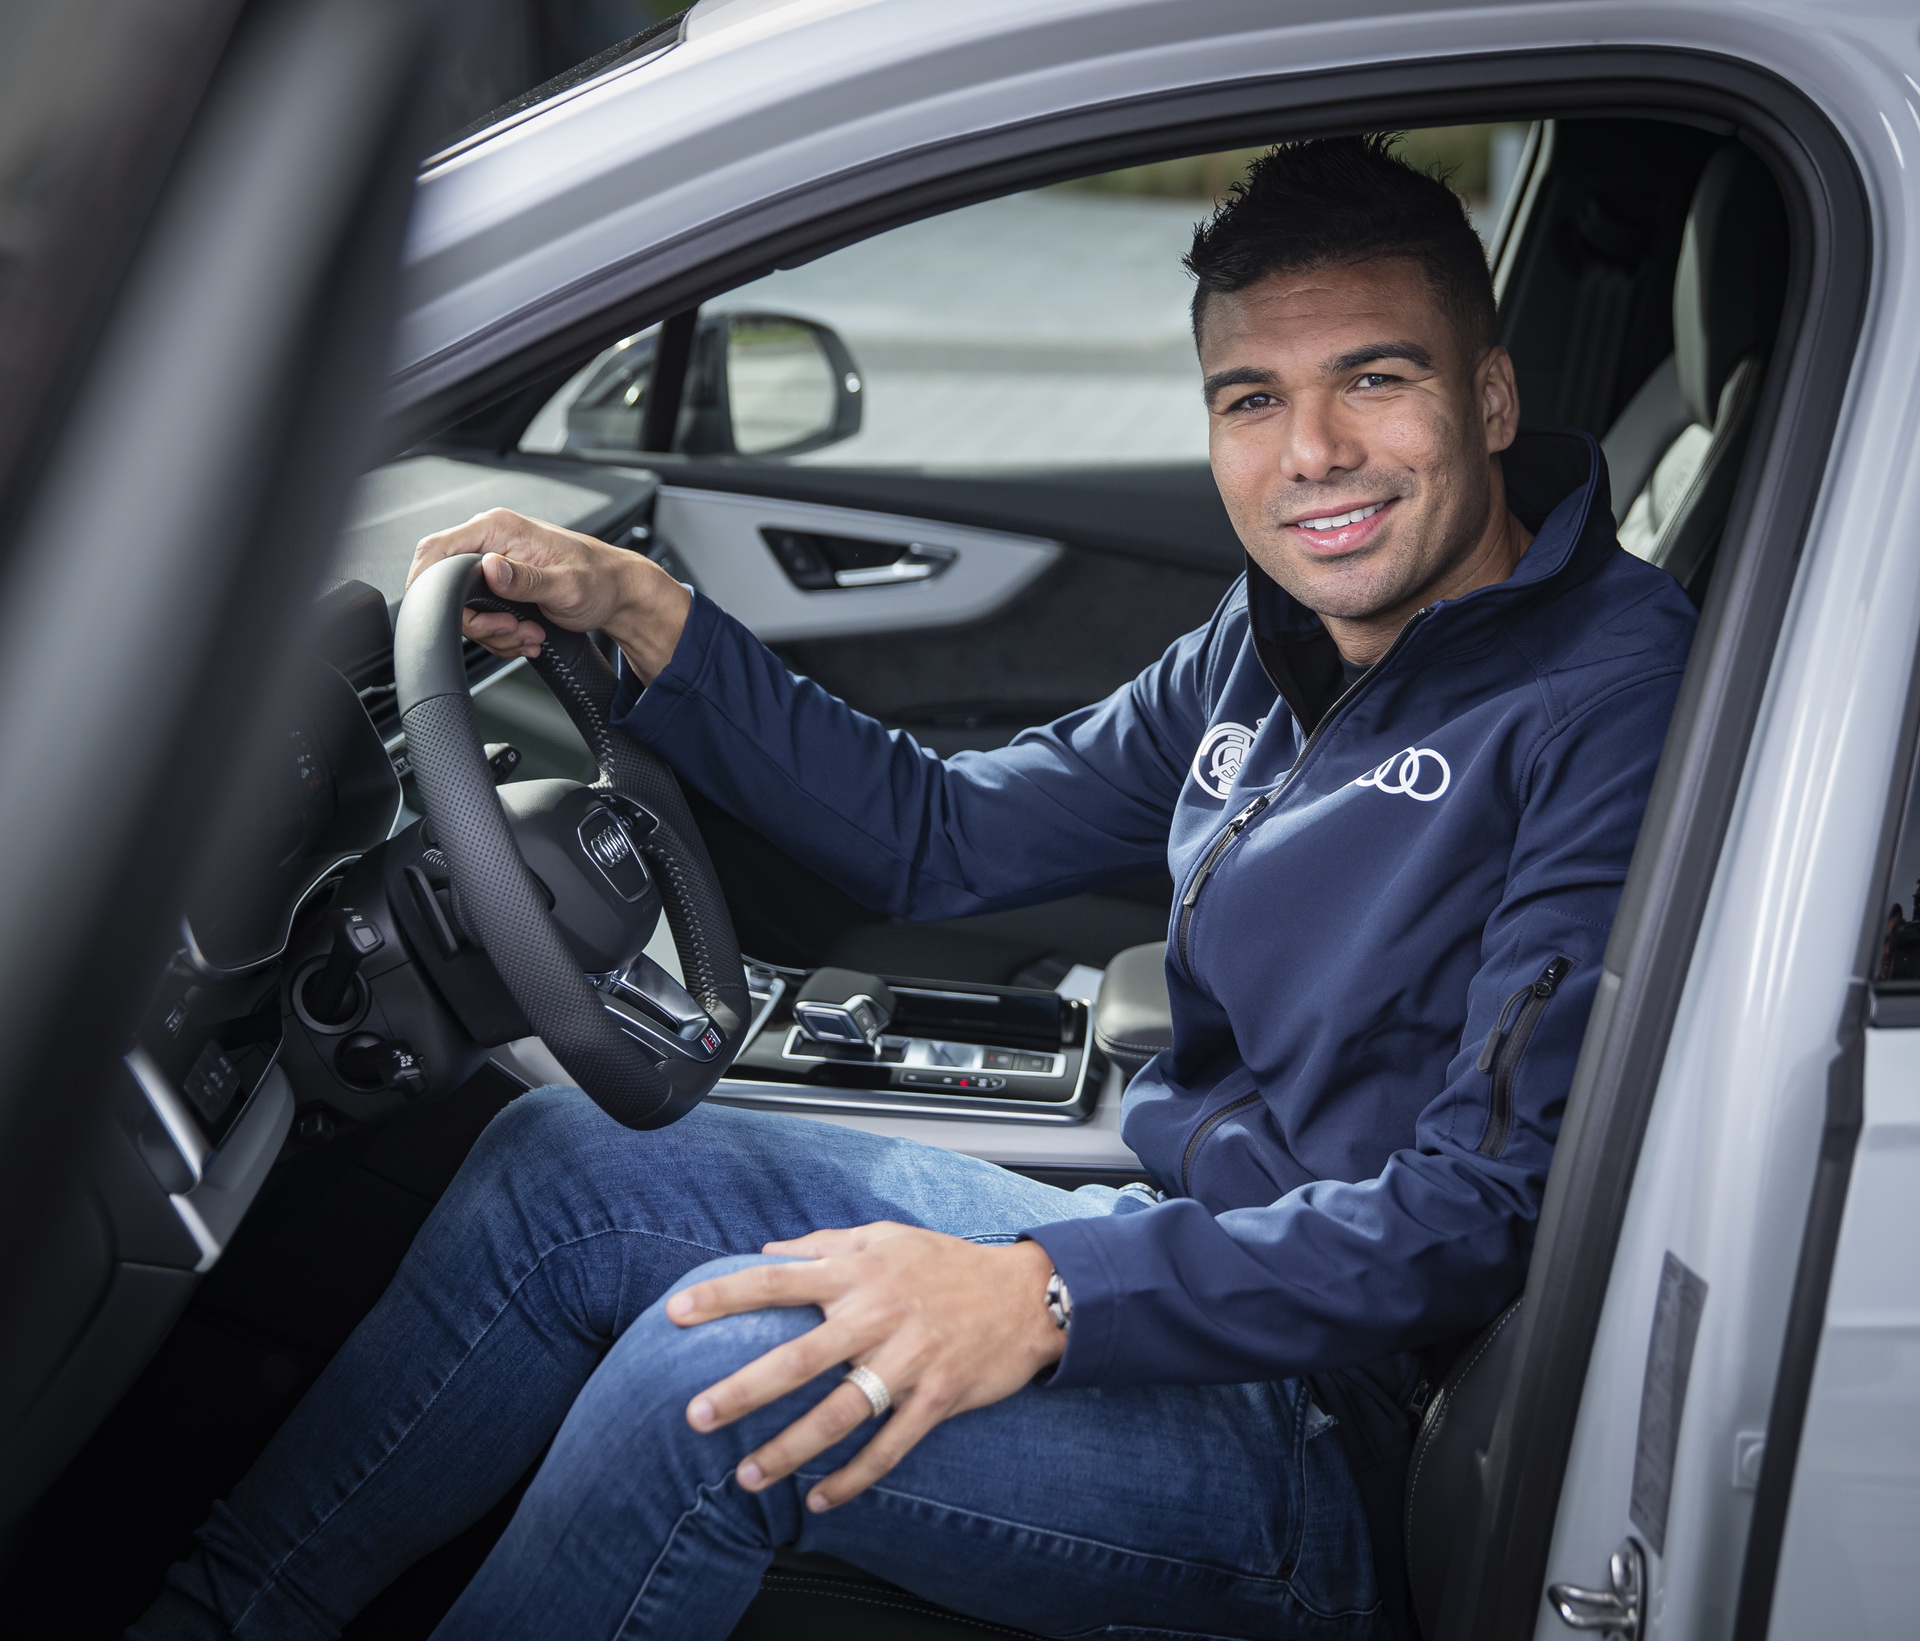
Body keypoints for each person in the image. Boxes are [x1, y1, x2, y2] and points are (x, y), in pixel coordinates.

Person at [134, 135, 1696, 1641]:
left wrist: (1048, 1293)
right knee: (562, 1165)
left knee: (729, 1389)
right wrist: (646, 611)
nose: (1313, 456)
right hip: (1192, 1239)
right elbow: (945, 838)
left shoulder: (1608, 692)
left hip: (1351, 1429)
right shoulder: (1273, 635)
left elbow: (1479, 1212)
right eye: (1252, 397)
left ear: (1488, 395)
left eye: (1376, 376)